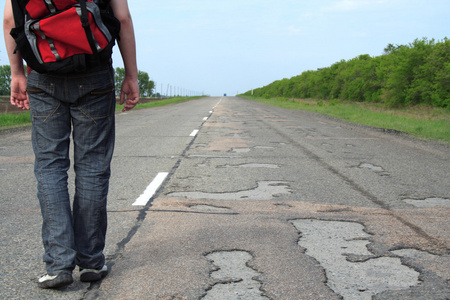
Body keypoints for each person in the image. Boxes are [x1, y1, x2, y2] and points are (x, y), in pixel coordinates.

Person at [3, 0, 140, 289]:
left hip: (43, 75)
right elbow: (123, 19)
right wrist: (131, 75)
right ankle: (91, 261)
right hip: (94, 75)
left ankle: (58, 264)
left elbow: (9, 21)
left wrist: (17, 74)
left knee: (50, 169)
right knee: (93, 168)